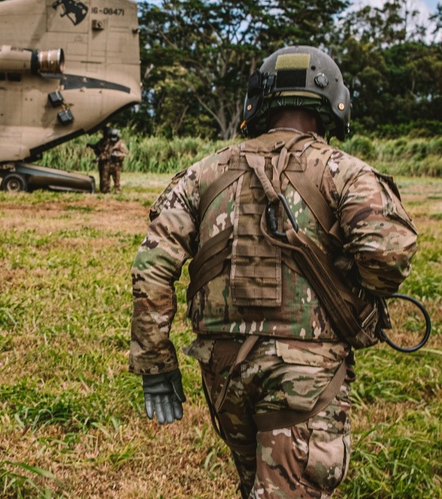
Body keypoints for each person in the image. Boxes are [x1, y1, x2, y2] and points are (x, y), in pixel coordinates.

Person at [128, 46, 418, 498]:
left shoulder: (203, 173)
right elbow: (387, 258)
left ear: (258, 102)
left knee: (255, 484)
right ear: (334, 103)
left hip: (225, 373)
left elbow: (151, 267)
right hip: (306, 376)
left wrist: (154, 360)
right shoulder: (345, 172)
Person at [91, 127, 128, 193]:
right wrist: (99, 158)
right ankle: (105, 190)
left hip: (116, 164)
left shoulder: (120, 144)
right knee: (104, 179)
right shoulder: (108, 143)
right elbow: (104, 152)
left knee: (116, 179)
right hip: (107, 163)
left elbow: (125, 153)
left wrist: (117, 154)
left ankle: (117, 190)